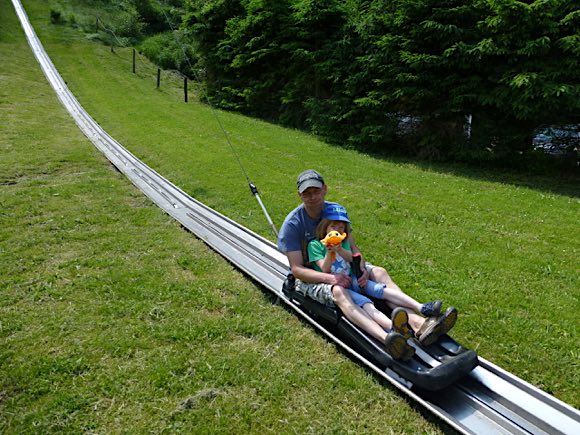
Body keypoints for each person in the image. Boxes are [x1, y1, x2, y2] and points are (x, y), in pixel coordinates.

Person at [277, 170, 456, 359]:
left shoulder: (335, 212)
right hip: (312, 273)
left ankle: (419, 324)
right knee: (339, 291)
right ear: (300, 195)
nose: (312, 197)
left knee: (379, 272)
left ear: (325, 190)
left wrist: (360, 267)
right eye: (307, 193)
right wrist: (331, 278)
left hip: (344, 264)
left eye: (316, 191)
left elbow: (354, 250)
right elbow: (297, 270)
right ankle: (387, 337)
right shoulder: (293, 224)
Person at [308, 203, 457, 346]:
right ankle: (395, 328)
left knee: (382, 290)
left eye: (341, 228)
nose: (337, 230)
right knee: (367, 305)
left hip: (354, 279)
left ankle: (422, 307)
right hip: (342, 287)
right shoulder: (315, 245)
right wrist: (330, 252)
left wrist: (340, 250)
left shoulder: (344, 243)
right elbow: (325, 269)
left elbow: (353, 259)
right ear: (325, 226)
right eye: (333, 226)